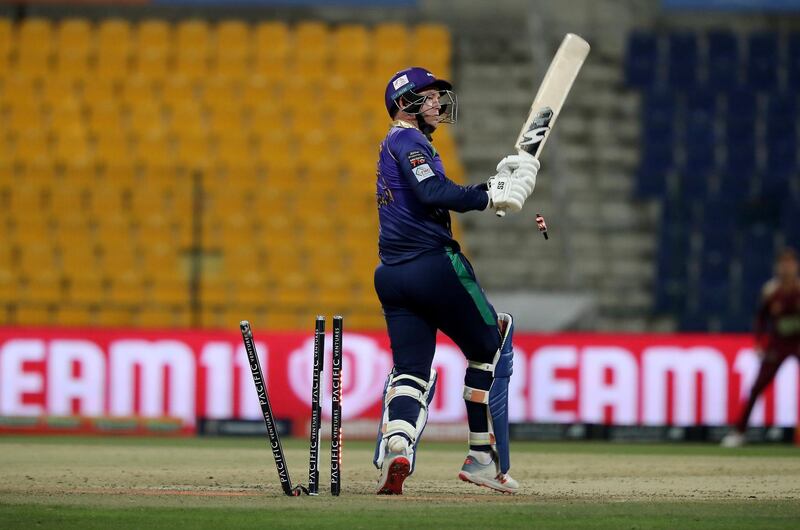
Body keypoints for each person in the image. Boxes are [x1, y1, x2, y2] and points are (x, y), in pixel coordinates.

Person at [371, 66, 539, 494]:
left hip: (392, 275)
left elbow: (428, 193)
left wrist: (492, 187)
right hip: (434, 266)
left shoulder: (393, 145)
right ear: (405, 105)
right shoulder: (406, 139)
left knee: (410, 370)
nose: (437, 104)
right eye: (427, 97)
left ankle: (399, 442)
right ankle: (482, 458)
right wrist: (489, 193)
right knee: (493, 341)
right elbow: (434, 192)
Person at [721, 248, 800, 447]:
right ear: (778, 267)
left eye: (790, 264)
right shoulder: (771, 290)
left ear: (795, 266)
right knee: (757, 388)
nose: (786, 268)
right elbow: (760, 318)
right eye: (783, 264)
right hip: (778, 343)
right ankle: (739, 432)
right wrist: (758, 342)